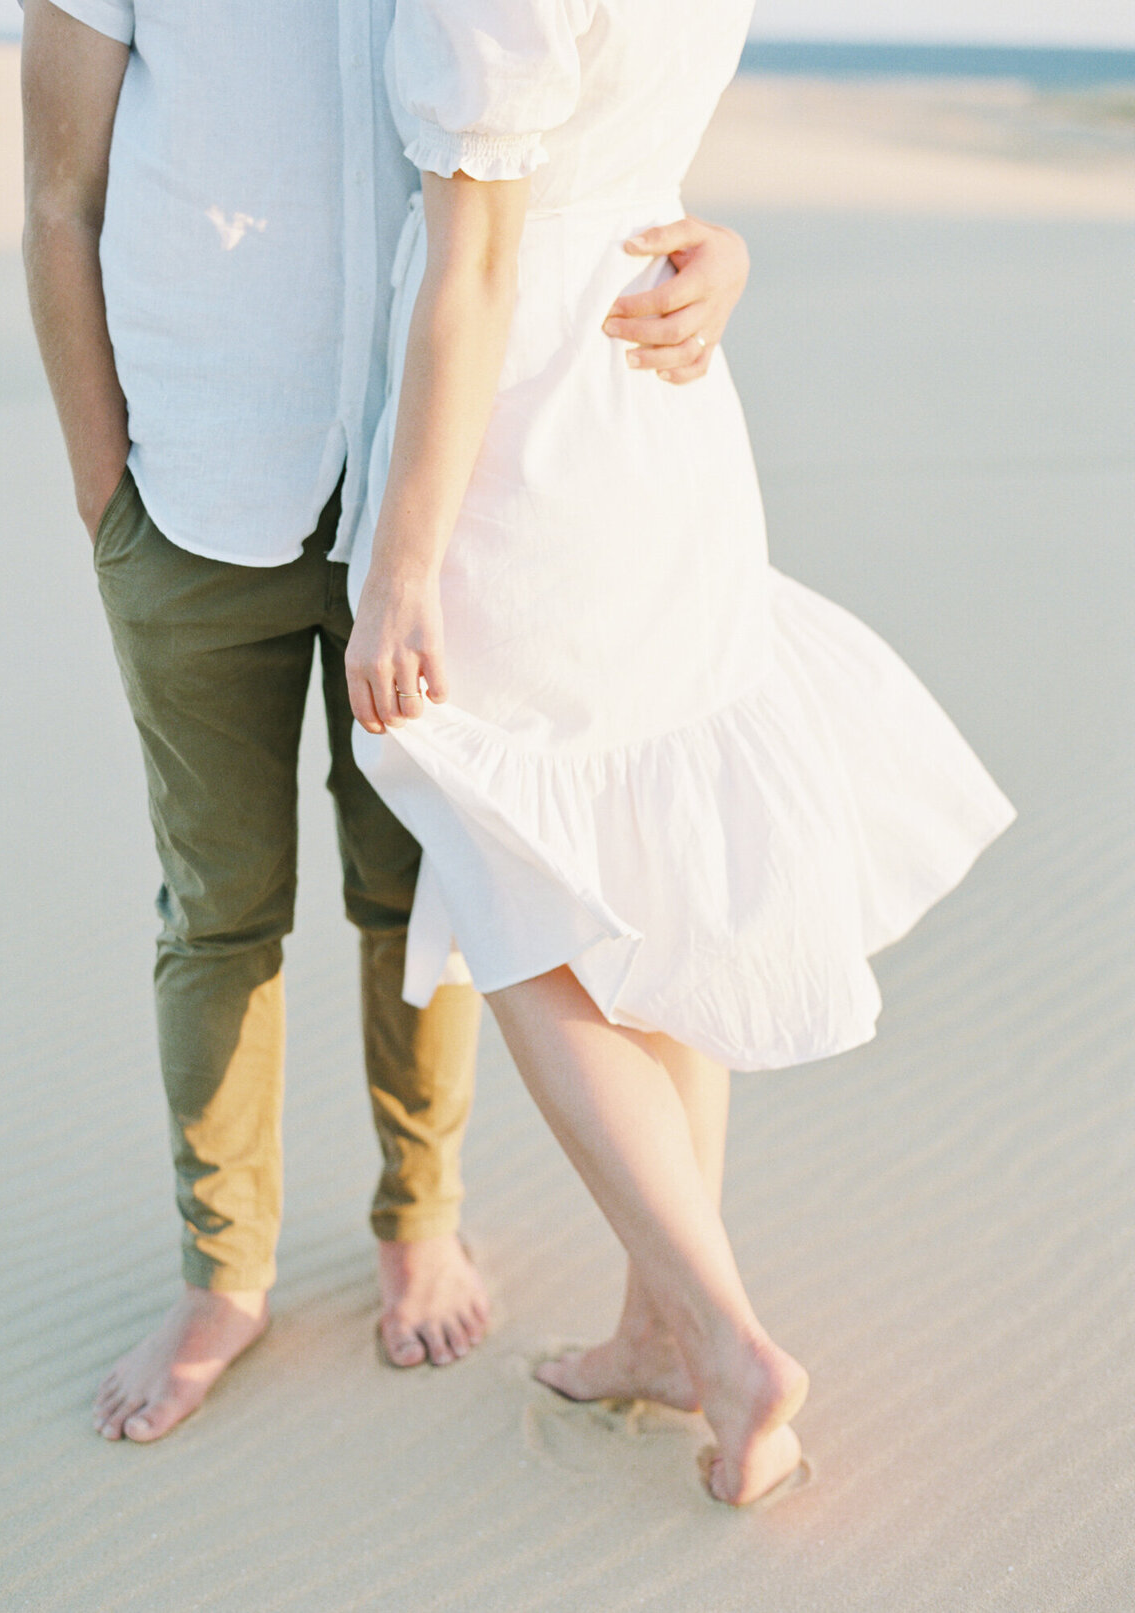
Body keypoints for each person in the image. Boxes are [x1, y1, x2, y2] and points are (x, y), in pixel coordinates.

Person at [19, 0, 753, 1443]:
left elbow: (576, 135)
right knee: (220, 908)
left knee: (418, 895)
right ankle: (223, 1275)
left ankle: (420, 1223)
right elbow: (60, 199)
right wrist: (106, 492)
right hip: (189, 486)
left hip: (438, 520)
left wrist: (723, 249)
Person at [345, 0, 1017, 1505]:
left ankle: (724, 1334)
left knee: (514, 890)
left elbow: (476, 265)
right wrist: (735, 250)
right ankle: (661, 1319)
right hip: (656, 399)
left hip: (526, 437)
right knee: (654, 852)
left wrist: (401, 562)